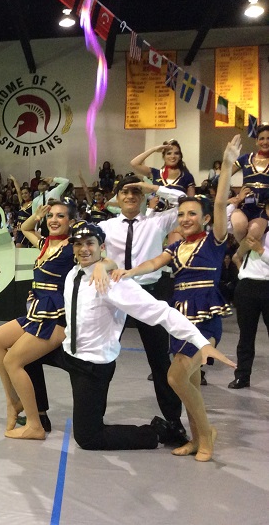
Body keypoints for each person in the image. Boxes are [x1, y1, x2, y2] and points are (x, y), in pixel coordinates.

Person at [31, 222, 234, 452]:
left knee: (88, 438)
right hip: (69, 353)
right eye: (78, 244)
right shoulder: (72, 273)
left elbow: (161, 311)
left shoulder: (113, 283)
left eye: (90, 244)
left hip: (92, 365)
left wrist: (201, 342)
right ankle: (36, 416)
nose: (83, 249)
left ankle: (156, 433)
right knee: (25, 356)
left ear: (102, 246)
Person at [112, 135, 239, 461]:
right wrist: (128, 273)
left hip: (204, 321)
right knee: (191, 382)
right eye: (181, 215)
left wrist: (226, 167)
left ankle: (207, 435)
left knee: (174, 376)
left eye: (192, 214)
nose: (185, 218)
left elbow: (221, 200)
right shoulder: (176, 247)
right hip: (180, 320)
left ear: (206, 218)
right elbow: (154, 263)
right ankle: (196, 438)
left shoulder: (214, 240)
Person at [0, 200, 115, 439]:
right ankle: (14, 401)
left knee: (13, 361)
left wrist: (103, 267)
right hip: (36, 312)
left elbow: (105, 258)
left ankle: (35, 425)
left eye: (60, 216)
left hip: (56, 319)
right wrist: (36, 216)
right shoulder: (46, 243)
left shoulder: (72, 247)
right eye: (50, 216)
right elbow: (25, 229)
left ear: (71, 221)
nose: (54, 220)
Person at [95, 175, 190, 445]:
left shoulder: (157, 221)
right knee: (103, 356)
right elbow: (85, 246)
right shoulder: (105, 226)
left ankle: (173, 421)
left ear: (144, 195)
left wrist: (155, 188)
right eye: (124, 192)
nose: (130, 196)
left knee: (160, 360)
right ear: (116, 196)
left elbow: (186, 201)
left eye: (136, 192)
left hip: (150, 291)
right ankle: (94, 415)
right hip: (115, 293)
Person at [227, 204, 269, 389]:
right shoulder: (249, 230)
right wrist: (235, 202)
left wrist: (261, 251)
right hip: (247, 286)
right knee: (245, 335)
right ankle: (242, 376)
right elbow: (227, 219)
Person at [228, 124, 269, 242]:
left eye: (268, 138)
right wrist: (232, 198)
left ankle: (238, 257)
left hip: (262, 209)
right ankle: (243, 256)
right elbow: (221, 178)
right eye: (262, 138)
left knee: (253, 235)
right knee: (240, 227)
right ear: (256, 141)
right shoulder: (245, 158)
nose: (265, 142)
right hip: (244, 206)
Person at [130, 140, 196, 196]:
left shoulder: (187, 176)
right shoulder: (156, 173)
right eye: (169, 153)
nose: (173, 156)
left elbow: (190, 202)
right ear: (163, 156)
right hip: (156, 211)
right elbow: (134, 163)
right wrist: (154, 149)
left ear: (180, 156)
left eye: (176, 153)